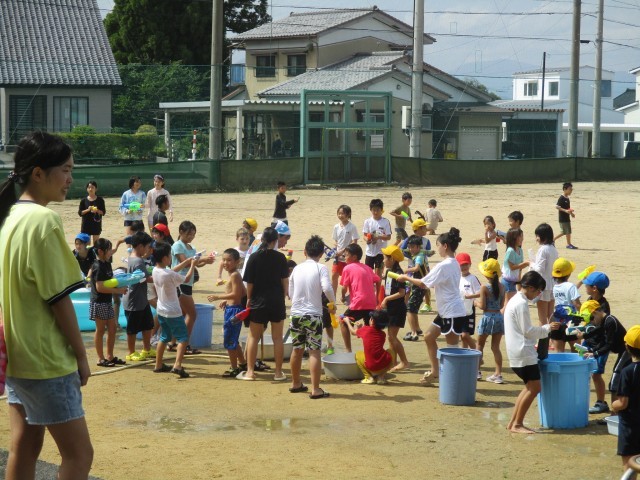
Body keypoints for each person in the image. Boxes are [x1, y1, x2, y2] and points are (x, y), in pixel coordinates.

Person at [0, 132, 93, 478]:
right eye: (65, 170)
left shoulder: (9, 217)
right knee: (79, 455)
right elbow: (58, 298)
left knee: (24, 445)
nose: (70, 179)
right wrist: (81, 355)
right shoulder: (43, 220)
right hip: (47, 358)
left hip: (17, 353)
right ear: (38, 173)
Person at [397, 228, 468, 385]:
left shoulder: (445, 265)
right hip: (445, 311)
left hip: (452, 312)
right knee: (429, 336)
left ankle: (454, 381)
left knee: (452, 348)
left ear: (445, 246)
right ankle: (436, 371)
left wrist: (405, 278)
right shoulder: (453, 263)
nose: (437, 249)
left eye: (438, 245)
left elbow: (423, 283)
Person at [504, 271, 561, 434]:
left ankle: (513, 422)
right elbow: (528, 331)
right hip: (523, 352)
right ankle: (517, 424)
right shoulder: (521, 303)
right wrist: (547, 328)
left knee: (529, 387)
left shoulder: (515, 300)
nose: (538, 295)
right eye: (538, 291)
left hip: (517, 350)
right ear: (530, 288)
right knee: (534, 388)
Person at [287, 235, 335, 399]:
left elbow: (290, 292)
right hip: (313, 315)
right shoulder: (321, 268)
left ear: (305, 252)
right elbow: (327, 287)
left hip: (296, 314)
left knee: (297, 349)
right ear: (321, 254)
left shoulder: (296, 269)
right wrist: (332, 302)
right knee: (314, 351)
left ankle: (296, 383)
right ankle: (315, 389)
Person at [239, 227, 289, 381]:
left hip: (258, 300)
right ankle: (278, 372)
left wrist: (249, 298)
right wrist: (283, 296)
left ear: (262, 240)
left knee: (253, 336)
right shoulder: (280, 258)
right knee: (277, 338)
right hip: (276, 300)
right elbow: (285, 281)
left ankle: (250, 372)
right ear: (275, 241)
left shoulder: (254, 257)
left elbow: (250, 282)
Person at [152, 242, 197, 378]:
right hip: (173, 312)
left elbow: (172, 271)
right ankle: (177, 365)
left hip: (161, 310)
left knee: (164, 337)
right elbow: (186, 279)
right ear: (165, 258)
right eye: (169, 256)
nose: (171, 258)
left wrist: (186, 262)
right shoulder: (168, 274)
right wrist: (192, 265)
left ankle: (158, 365)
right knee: (183, 338)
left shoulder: (155, 270)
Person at [170, 220, 214, 354]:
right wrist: (202, 259)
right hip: (180, 282)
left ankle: (173, 343)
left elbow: (195, 264)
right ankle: (184, 344)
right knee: (192, 314)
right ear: (181, 232)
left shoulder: (191, 247)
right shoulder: (177, 245)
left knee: (182, 314)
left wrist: (206, 261)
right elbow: (186, 262)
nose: (191, 237)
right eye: (189, 234)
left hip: (187, 283)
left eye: (193, 235)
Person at [577, 300, 626, 414]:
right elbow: (598, 332)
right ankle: (615, 413)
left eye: (592, 318)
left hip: (626, 352)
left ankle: (615, 414)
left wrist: (595, 353)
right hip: (622, 351)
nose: (592, 322)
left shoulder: (610, 321)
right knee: (616, 382)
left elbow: (609, 344)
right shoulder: (605, 321)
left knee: (614, 383)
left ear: (595, 312)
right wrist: (588, 343)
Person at [208, 248, 247, 378]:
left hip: (234, 310)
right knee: (233, 338)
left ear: (237, 261)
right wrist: (227, 300)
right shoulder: (233, 274)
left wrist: (219, 297)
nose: (225, 263)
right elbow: (243, 292)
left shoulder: (235, 275)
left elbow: (236, 294)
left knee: (230, 340)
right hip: (233, 308)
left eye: (229, 260)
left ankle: (234, 368)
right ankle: (242, 363)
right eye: (224, 260)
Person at [90, 238, 127, 367]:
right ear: (101, 251)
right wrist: (118, 291)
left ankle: (109, 356)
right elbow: (100, 287)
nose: (111, 252)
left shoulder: (107, 263)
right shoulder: (97, 266)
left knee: (112, 328)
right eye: (108, 249)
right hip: (99, 302)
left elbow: (110, 281)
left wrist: (122, 284)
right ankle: (100, 358)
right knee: (100, 330)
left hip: (106, 301)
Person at [339, 243, 380, 352]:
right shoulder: (367, 268)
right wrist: (377, 297)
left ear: (354, 257)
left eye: (346, 255)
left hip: (359, 302)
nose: (344, 257)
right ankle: (371, 351)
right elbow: (378, 280)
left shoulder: (347, 268)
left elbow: (344, 287)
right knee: (370, 328)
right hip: (371, 302)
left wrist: (342, 297)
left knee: (343, 321)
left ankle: (348, 350)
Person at [123, 231, 155, 361]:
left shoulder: (133, 257)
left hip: (141, 299)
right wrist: (161, 276)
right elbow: (146, 279)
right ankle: (131, 352)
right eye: (147, 247)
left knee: (148, 324)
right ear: (141, 246)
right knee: (132, 328)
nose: (147, 250)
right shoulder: (138, 261)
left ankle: (147, 349)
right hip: (134, 301)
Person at [611, 325, 640, 470]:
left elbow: (622, 403)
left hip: (631, 426)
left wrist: (613, 406)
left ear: (627, 347)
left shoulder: (628, 371)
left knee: (629, 465)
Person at [528, 223, 558, 360]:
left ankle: (543, 343)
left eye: (537, 236)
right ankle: (552, 341)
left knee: (542, 318)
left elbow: (539, 269)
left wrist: (531, 264)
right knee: (550, 315)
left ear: (542, 237)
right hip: (552, 284)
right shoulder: (553, 249)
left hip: (543, 286)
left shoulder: (543, 249)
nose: (536, 238)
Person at [475, 258, 506, 384]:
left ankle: (477, 371)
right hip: (498, 317)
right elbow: (502, 304)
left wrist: (475, 303)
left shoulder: (484, 287)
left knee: (480, 345)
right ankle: (498, 374)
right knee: (495, 347)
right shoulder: (502, 286)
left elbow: (482, 306)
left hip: (487, 317)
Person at [343, 310, 394, 385]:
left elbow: (353, 332)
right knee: (390, 351)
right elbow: (368, 336)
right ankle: (381, 376)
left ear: (372, 321)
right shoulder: (383, 334)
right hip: (382, 367)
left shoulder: (365, 329)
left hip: (370, 366)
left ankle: (368, 377)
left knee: (358, 354)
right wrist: (359, 328)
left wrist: (347, 322)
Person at [380, 245, 409, 372]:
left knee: (392, 336)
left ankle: (404, 361)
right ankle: (393, 362)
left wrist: (386, 299)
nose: (383, 260)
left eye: (385, 258)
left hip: (397, 309)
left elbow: (402, 293)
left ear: (391, 259)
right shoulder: (388, 272)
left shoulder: (398, 273)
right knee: (390, 336)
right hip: (390, 308)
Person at [550, 257, 581, 352]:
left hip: (557, 320)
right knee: (576, 351)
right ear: (569, 273)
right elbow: (577, 304)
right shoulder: (571, 286)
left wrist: (581, 282)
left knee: (559, 353)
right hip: (571, 321)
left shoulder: (554, 287)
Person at [402, 235, 428, 341]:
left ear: (418, 247)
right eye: (409, 247)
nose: (410, 249)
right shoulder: (419, 254)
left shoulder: (419, 256)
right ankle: (417, 329)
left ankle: (413, 333)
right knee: (414, 309)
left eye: (413, 247)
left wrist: (406, 270)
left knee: (409, 309)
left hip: (419, 286)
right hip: (420, 286)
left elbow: (416, 268)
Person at [331, 204, 359, 294]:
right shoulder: (336, 226)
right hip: (337, 257)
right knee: (334, 276)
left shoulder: (352, 227)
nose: (340, 215)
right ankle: (333, 297)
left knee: (347, 279)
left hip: (348, 257)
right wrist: (335, 249)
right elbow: (336, 241)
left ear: (348, 214)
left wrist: (343, 251)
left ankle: (347, 296)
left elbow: (354, 242)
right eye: (339, 213)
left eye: (342, 213)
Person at [456, 252, 480, 352]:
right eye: (461, 265)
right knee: (462, 337)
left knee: (465, 335)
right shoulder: (456, 278)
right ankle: (464, 355)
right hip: (458, 310)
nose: (464, 267)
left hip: (469, 311)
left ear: (470, 264)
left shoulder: (472, 278)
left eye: (466, 264)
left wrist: (470, 296)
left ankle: (477, 354)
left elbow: (480, 293)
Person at [363, 198, 392, 278]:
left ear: (381, 210)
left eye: (378, 210)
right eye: (374, 210)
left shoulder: (385, 221)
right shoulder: (367, 221)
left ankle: (378, 286)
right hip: (370, 251)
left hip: (381, 251)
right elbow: (364, 235)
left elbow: (389, 237)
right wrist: (367, 239)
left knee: (378, 272)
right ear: (371, 210)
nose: (375, 212)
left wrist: (378, 237)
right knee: (368, 272)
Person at [501, 228, 529, 304]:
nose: (522, 238)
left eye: (522, 236)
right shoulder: (510, 251)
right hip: (507, 281)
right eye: (520, 236)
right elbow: (512, 267)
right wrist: (526, 263)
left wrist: (519, 282)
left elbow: (520, 268)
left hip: (514, 281)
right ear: (514, 238)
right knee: (508, 304)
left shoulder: (520, 250)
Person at [77, 180, 105, 245]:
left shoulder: (100, 200)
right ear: (87, 189)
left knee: (96, 244)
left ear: (96, 189)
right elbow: (80, 213)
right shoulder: (83, 200)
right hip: (86, 224)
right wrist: (88, 210)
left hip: (96, 224)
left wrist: (97, 210)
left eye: (92, 187)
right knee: (87, 245)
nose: (90, 189)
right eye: (89, 187)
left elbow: (103, 212)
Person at [553, 181, 577, 249]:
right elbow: (557, 206)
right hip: (562, 218)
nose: (571, 191)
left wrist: (571, 213)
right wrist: (565, 211)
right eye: (570, 189)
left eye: (571, 189)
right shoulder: (562, 198)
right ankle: (553, 240)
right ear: (564, 189)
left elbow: (568, 208)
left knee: (567, 231)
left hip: (566, 218)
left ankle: (568, 244)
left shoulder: (567, 198)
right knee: (565, 232)